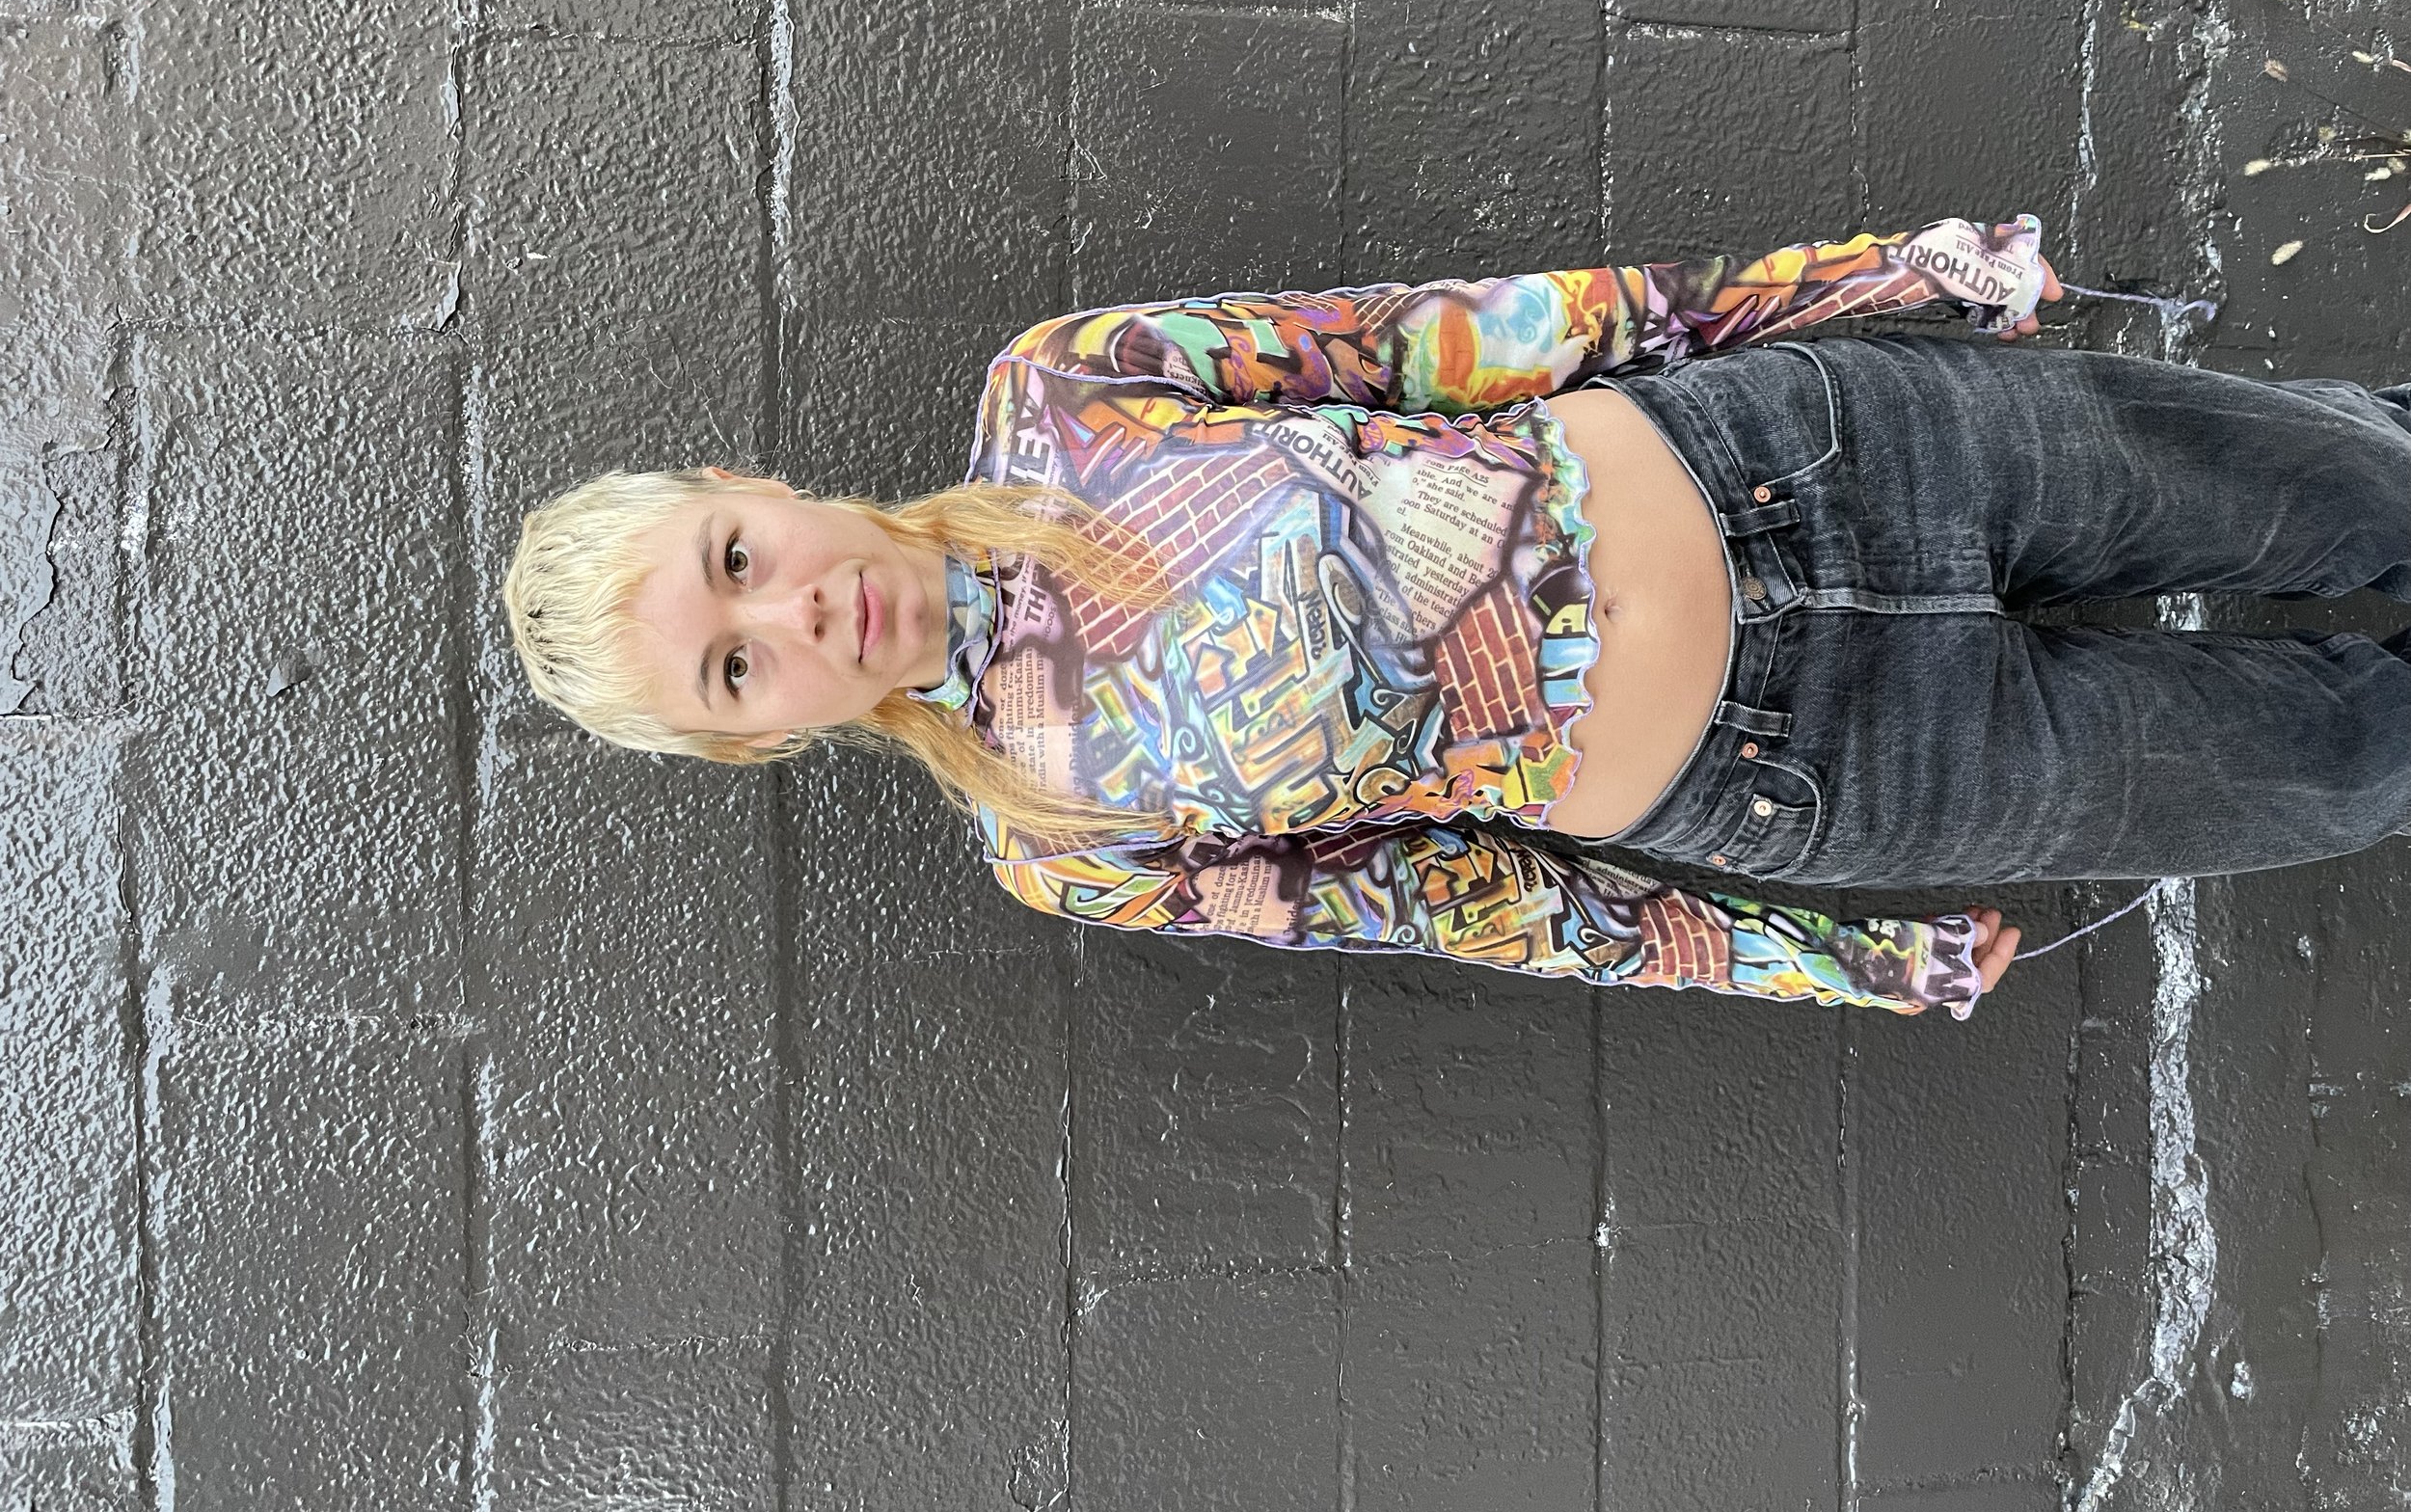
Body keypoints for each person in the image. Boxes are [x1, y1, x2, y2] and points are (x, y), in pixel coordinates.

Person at [502, 215, 2411, 1020]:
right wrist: (1827, 965)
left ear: (744, 485)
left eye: (730, 556)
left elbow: (1478, 337)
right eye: (734, 663)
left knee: (2347, 479)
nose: (789, 606)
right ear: (760, 731)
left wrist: (1877, 278)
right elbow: (1470, 903)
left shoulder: (1065, 386)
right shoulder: (1058, 838)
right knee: (2341, 765)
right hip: (1824, 772)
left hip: (1814, 456)